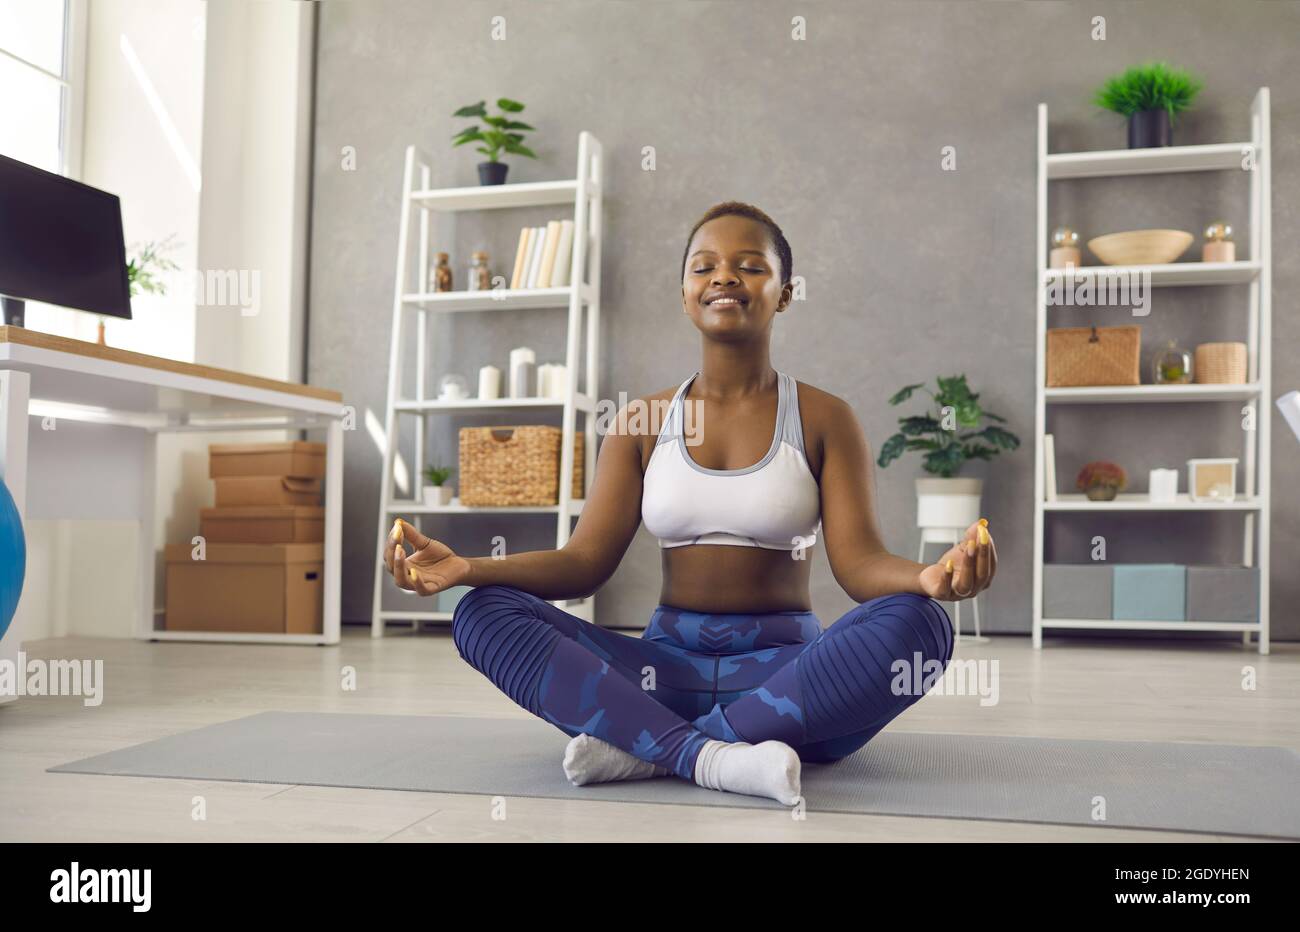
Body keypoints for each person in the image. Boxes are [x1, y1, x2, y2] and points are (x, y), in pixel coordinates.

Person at [382, 201, 998, 805]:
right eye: (704, 267)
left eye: (751, 265)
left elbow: (860, 564)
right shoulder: (640, 422)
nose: (725, 276)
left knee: (919, 625)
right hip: (660, 674)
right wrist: (470, 570)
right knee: (481, 615)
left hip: (788, 677)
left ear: (785, 292)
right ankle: (718, 757)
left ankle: (652, 749)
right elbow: (583, 563)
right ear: (685, 293)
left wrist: (926, 577)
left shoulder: (825, 417)